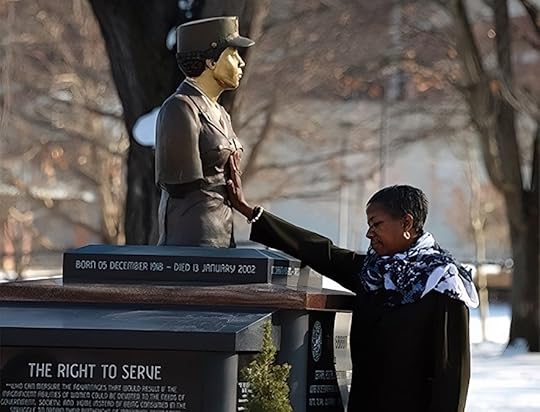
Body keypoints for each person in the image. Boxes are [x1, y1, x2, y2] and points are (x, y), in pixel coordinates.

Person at [226, 153, 479, 412]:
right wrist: (251, 212)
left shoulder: (443, 282)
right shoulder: (372, 273)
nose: (370, 233)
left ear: (406, 223)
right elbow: (319, 250)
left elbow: (452, 375)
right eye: (369, 224)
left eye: (376, 224)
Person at [155, 16, 254, 247]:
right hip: (192, 243)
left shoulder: (220, 113)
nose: (241, 63)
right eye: (233, 54)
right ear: (211, 61)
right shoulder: (180, 108)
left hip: (222, 240)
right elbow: (179, 184)